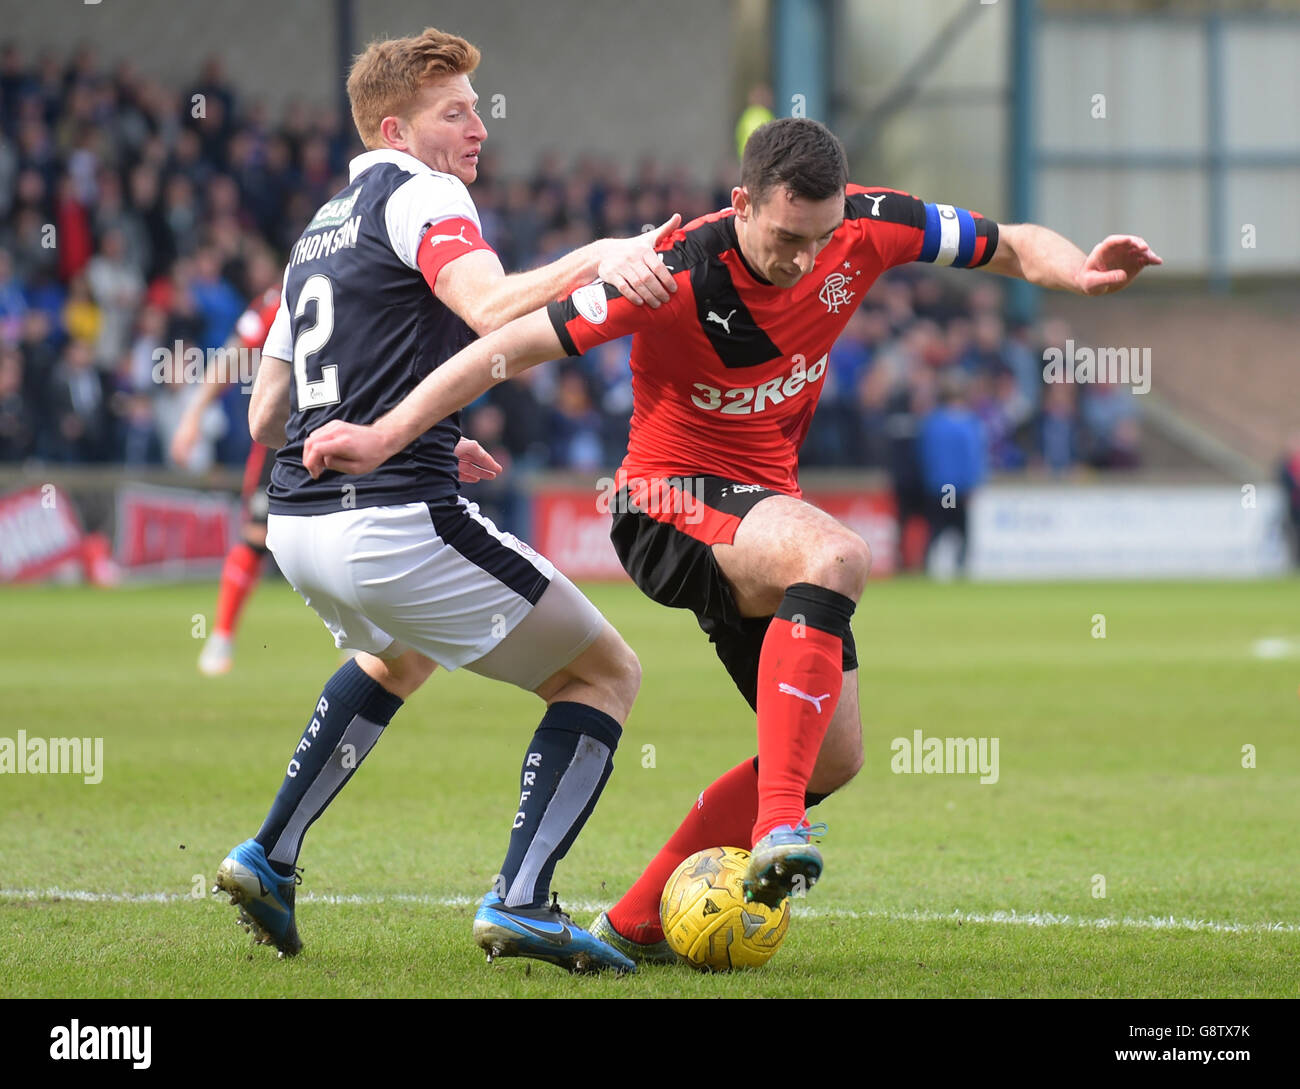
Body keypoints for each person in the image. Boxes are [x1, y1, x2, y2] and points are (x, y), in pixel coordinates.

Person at [302, 117, 1162, 962]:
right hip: (662, 500)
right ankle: (779, 823)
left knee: (836, 753)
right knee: (836, 555)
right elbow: (509, 345)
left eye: (821, 240)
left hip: (756, 510)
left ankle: (634, 923)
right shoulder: (674, 269)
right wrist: (387, 434)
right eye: (787, 237)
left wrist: (1079, 271)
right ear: (743, 201)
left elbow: (1009, 242)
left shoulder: (875, 224)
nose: (805, 258)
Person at [215, 26, 680, 974]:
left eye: (475, 107)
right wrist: (604, 251)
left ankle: (270, 853)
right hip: (391, 520)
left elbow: (268, 413)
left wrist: (414, 425)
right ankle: (524, 899)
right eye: (454, 112)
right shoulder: (424, 192)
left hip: (299, 527)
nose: (477, 127)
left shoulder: (316, 229)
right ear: (398, 127)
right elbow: (494, 307)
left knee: (396, 660)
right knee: (604, 675)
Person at [170, 248, 283, 675]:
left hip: (348, 427)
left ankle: (363, 638)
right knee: (257, 534)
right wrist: (193, 414)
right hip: (286, 436)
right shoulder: (281, 297)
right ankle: (220, 637)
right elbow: (235, 354)